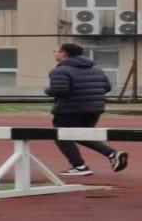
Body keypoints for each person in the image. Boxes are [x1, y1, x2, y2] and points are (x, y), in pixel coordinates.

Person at [44, 43, 128, 176]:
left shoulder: (60, 70)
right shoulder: (96, 69)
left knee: (60, 136)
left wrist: (47, 90)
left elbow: (59, 90)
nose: (55, 53)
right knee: (81, 135)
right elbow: (107, 87)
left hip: (70, 109)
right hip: (94, 109)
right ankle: (112, 154)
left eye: (57, 51)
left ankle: (79, 166)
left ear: (64, 53)